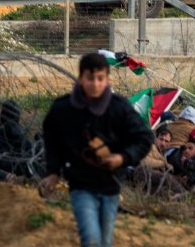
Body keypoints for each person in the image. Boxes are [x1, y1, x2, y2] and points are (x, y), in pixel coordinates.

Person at [41, 53, 154, 247]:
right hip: (80, 185)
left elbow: (144, 137)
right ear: (80, 78)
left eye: (100, 78)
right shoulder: (63, 109)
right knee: (91, 239)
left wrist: (123, 158)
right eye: (90, 78)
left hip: (110, 186)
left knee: (104, 241)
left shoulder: (118, 108)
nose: (95, 84)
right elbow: (52, 140)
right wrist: (53, 172)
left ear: (107, 79)